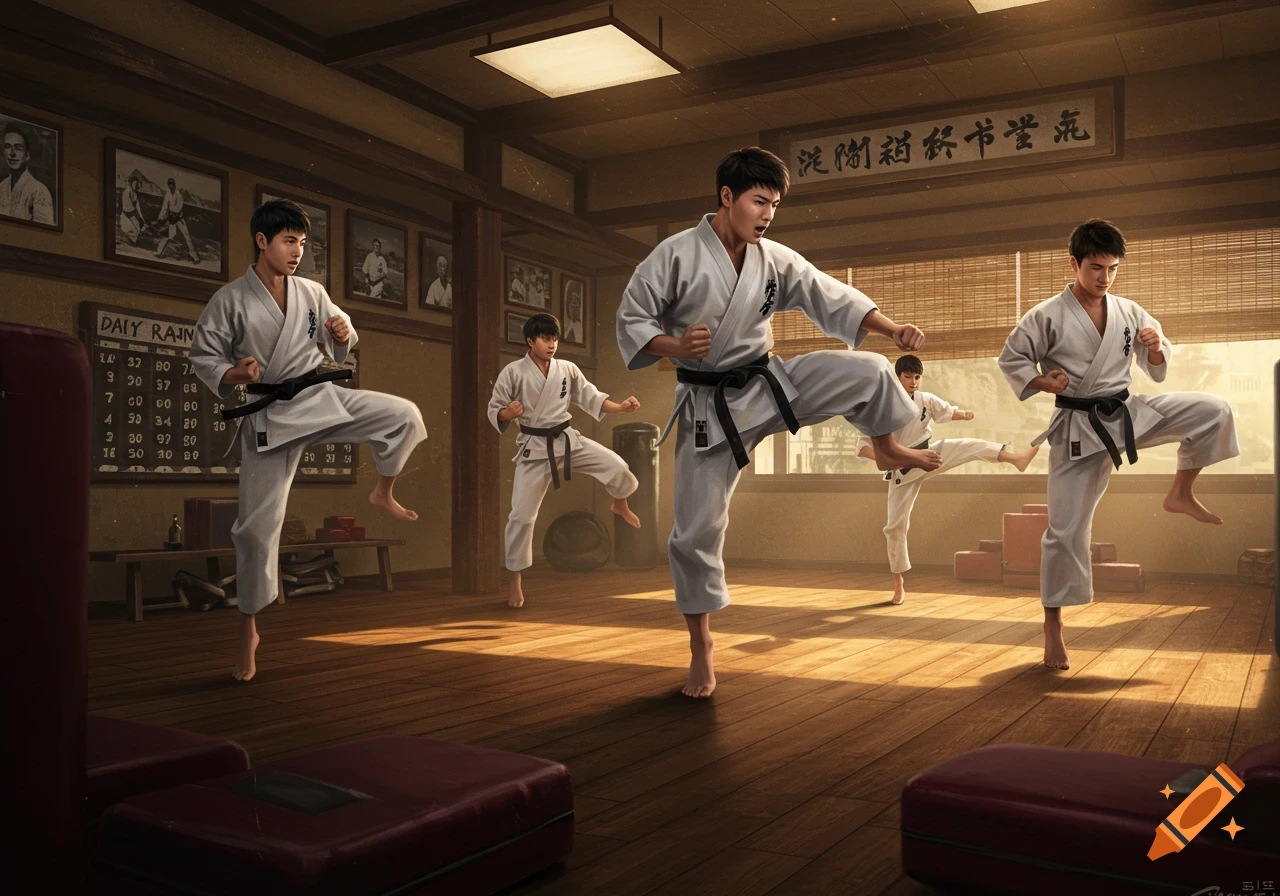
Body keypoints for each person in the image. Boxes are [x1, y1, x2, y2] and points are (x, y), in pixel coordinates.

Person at [616, 146, 942, 698]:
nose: (768, 214)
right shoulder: (673, 256)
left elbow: (828, 294)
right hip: (710, 409)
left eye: (775, 204)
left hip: (770, 385)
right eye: (759, 201)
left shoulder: (773, 259)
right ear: (727, 197)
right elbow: (633, 319)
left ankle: (885, 446)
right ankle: (702, 647)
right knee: (695, 532)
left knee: (868, 372)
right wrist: (676, 344)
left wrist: (891, 330)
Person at [191, 200, 427, 681]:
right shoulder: (231, 299)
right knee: (257, 529)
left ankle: (383, 489)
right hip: (269, 415)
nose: (297, 251)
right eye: (288, 241)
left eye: (302, 242)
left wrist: (343, 333)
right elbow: (204, 354)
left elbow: (342, 338)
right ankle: (248, 629)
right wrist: (234, 372)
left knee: (405, 416)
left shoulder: (312, 292)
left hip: (319, 399)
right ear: (262, 241)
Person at [998, 218, 1238, 670]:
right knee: (1064, 532)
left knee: (1214, 409)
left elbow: (1158, 364)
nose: (1104, 278)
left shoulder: (1129, 311)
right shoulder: (1045, 314)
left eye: (1112, 269)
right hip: (1078, 428)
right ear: (1074, 264)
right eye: (1095, 268)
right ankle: (1054, 628)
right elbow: (1011, 358)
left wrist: (1156, 347)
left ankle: (1181, 492)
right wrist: (1043, 381)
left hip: (1126, 412)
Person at [858, 354, 1039, 605]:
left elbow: (946, 411)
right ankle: (899, 583)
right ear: (897, 377)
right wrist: (887, 460)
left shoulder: (925, 400)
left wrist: (963, 415)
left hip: (929, 454)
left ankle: (1014, 458)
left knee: (967, 445)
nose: (913, 382)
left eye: (917, 377)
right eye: (908, 376)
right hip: (903, 471)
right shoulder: (882, 407)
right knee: (895, 527)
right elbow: (863, 445)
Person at [489, 313, 642, 608]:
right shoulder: (513, 372)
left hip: (566, 440)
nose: (551, 345)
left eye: (555, 339)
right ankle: (515, 582)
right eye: (545, 339)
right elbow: (496, 409)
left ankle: (619, 503)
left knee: (617, 466)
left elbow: (591, 398)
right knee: (521, 517)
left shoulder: (567, 369)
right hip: (534, 449)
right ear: (530, 341)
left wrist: (621, 408)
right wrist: (509, 414)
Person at [1, 122, 54, 225]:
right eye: (7, 146)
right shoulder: (1, 187)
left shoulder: (39, 191)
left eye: (18, 148)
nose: (12, 153)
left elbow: (44, 236)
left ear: (27, 155)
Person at [153, 177, 202, 263]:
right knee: (169, 236)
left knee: (186, 236)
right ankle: (159, 253)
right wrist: (159, 218)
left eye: (172, 185)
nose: (171, 186)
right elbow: (164, 207)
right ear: (168, 186)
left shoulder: (179, 195)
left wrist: (171, 214)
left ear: (175, 185)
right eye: (169, 185)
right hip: (172, 219)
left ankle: (195, 258)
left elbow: (179, 208)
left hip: (179, 219)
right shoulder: (167, 195)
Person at [119, 174, 146, 245]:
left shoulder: (135, 193)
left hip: (131, 214)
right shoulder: (127, 191)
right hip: (126, 214)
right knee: (130, 229)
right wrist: (136, 215)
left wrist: (141, 219)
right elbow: (127, 206)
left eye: (137, 184)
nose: (136, 186)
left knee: (138, 229)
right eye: (135, 183)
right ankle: (129, 241)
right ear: (131, 183)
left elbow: (138, 208)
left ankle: (133, 242)